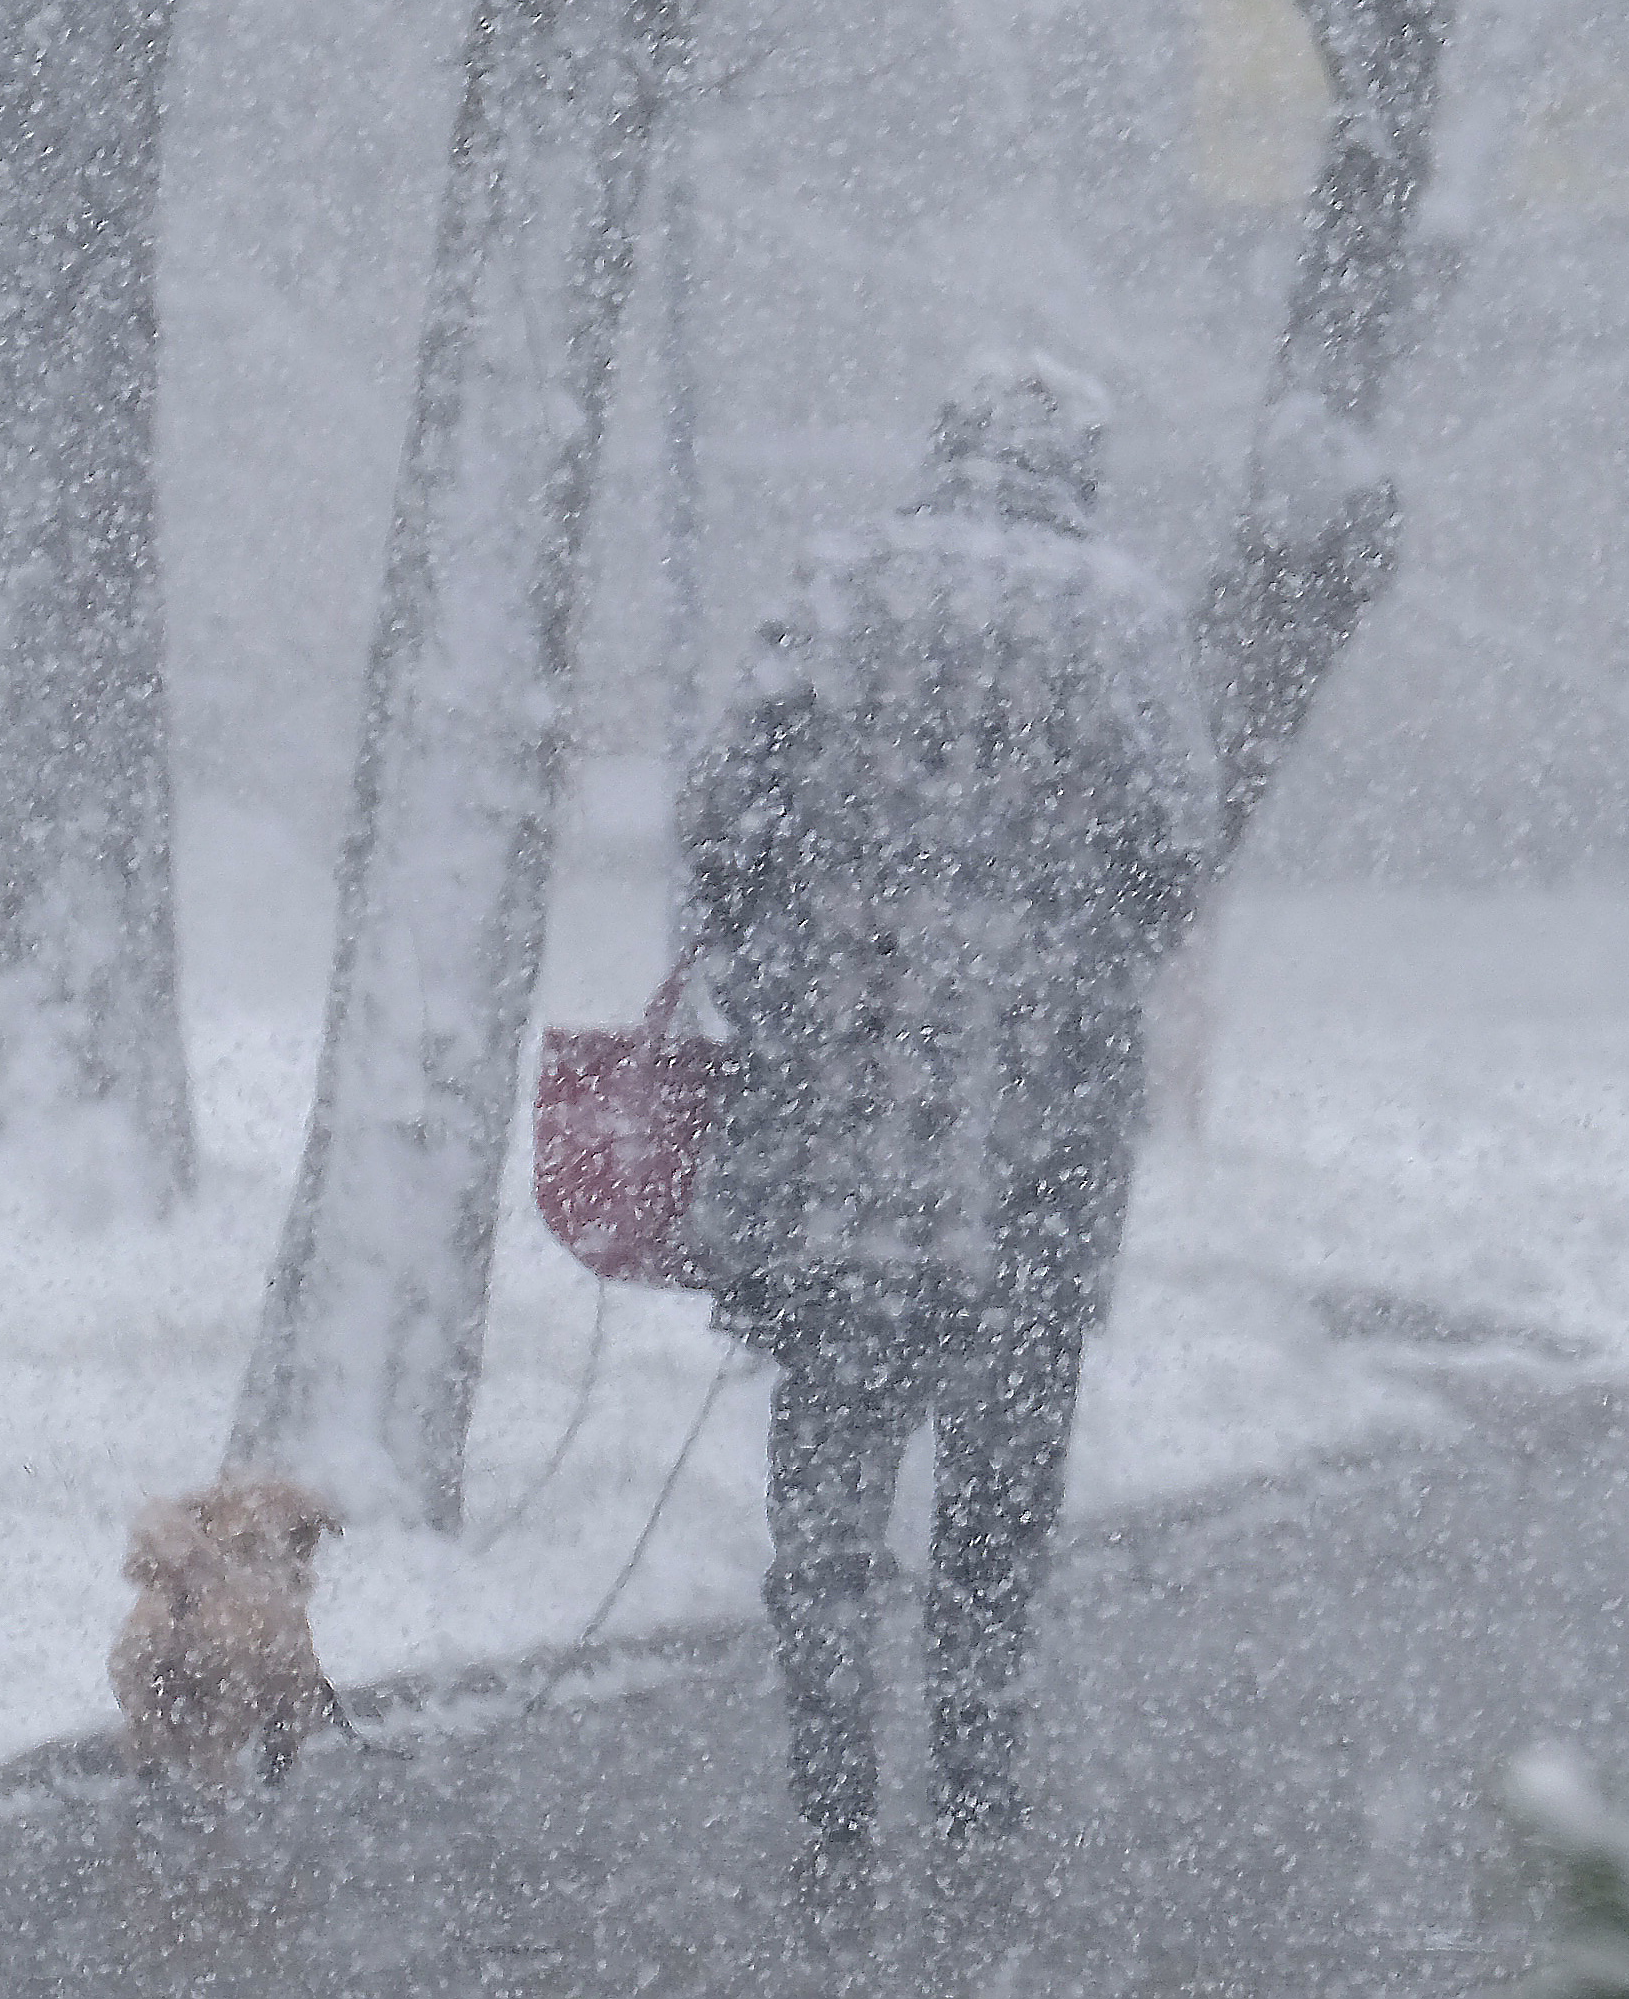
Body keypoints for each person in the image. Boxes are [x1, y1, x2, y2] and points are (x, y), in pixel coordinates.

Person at [677, 355, 1221, 1893]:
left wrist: (784, 946)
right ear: (1079, 468)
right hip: (1029, 1136)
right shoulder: (1121, 615)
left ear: (946, 449)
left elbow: (729, 807)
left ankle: (832, 1779)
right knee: (996, 1481)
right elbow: (1173, 849)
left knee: (829, 1452)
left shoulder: (840, 581)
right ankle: (974, 1779)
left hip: (835, 1113)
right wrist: (1066, 928)